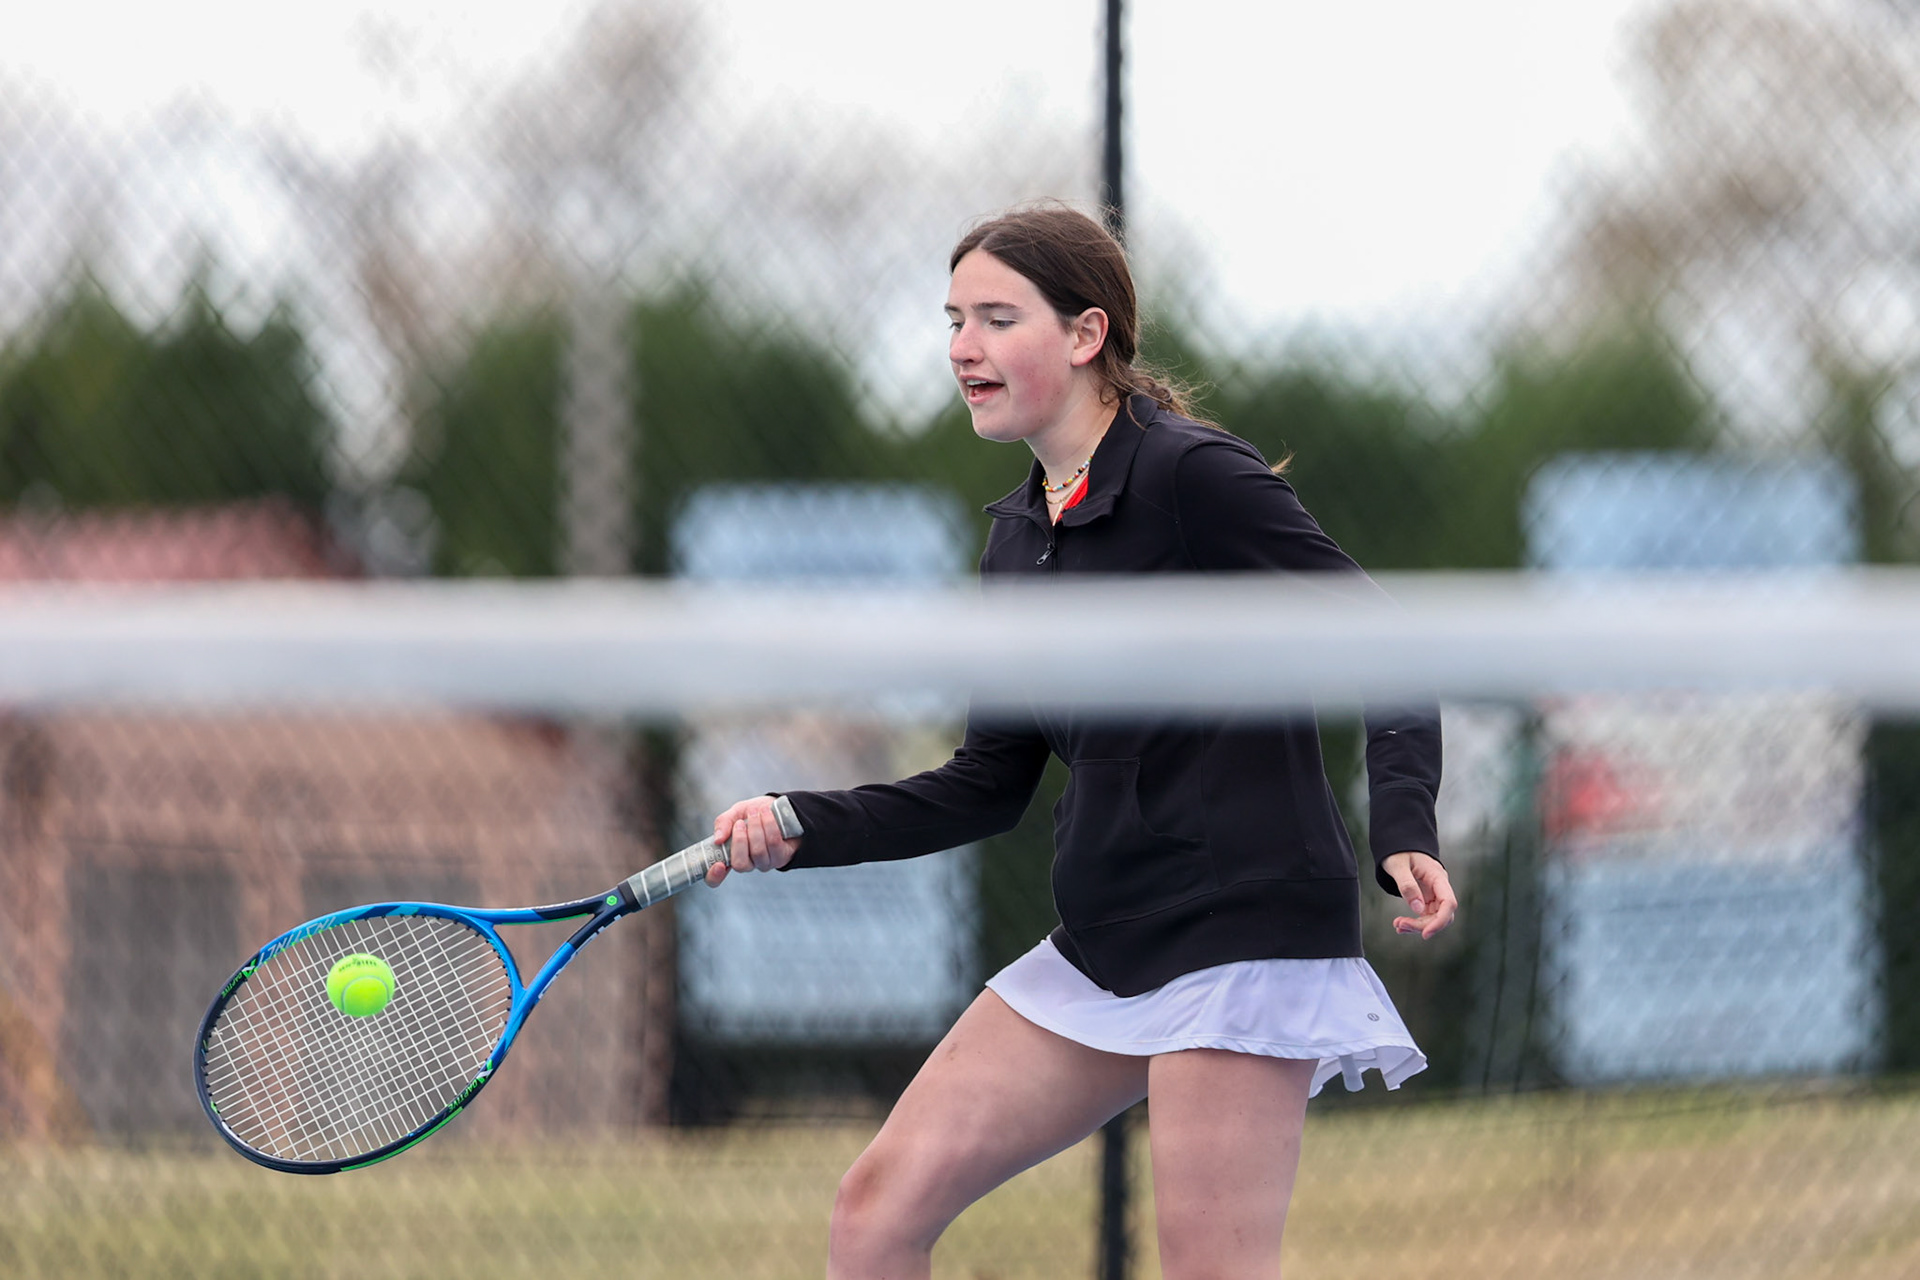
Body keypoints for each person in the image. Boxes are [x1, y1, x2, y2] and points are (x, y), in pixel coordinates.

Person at [706, 203, 1456, 1280]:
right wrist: (798, 821)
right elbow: (985, 782)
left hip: (1240, 927)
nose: (963, 345)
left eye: (997, 316)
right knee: (874, 1212)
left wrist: (1407, 825)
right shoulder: (1016, 542)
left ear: (1085, 334)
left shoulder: (1197, 479)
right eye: (953, 318)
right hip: (1106, 937)